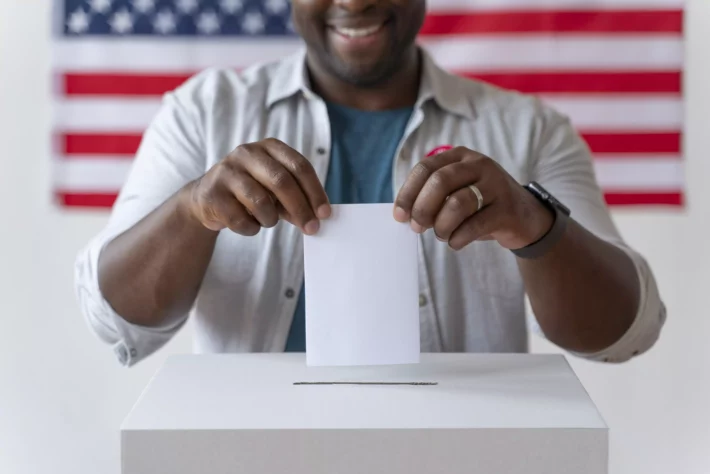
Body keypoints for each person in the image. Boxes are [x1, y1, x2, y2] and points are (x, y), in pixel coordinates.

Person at [74, 0, 665, 367]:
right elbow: (114, 319)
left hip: (465, 459)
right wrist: (190, 211)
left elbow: (622, 333)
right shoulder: (203, 114)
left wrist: (534, 225)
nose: (355, 2)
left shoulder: (528, 129)